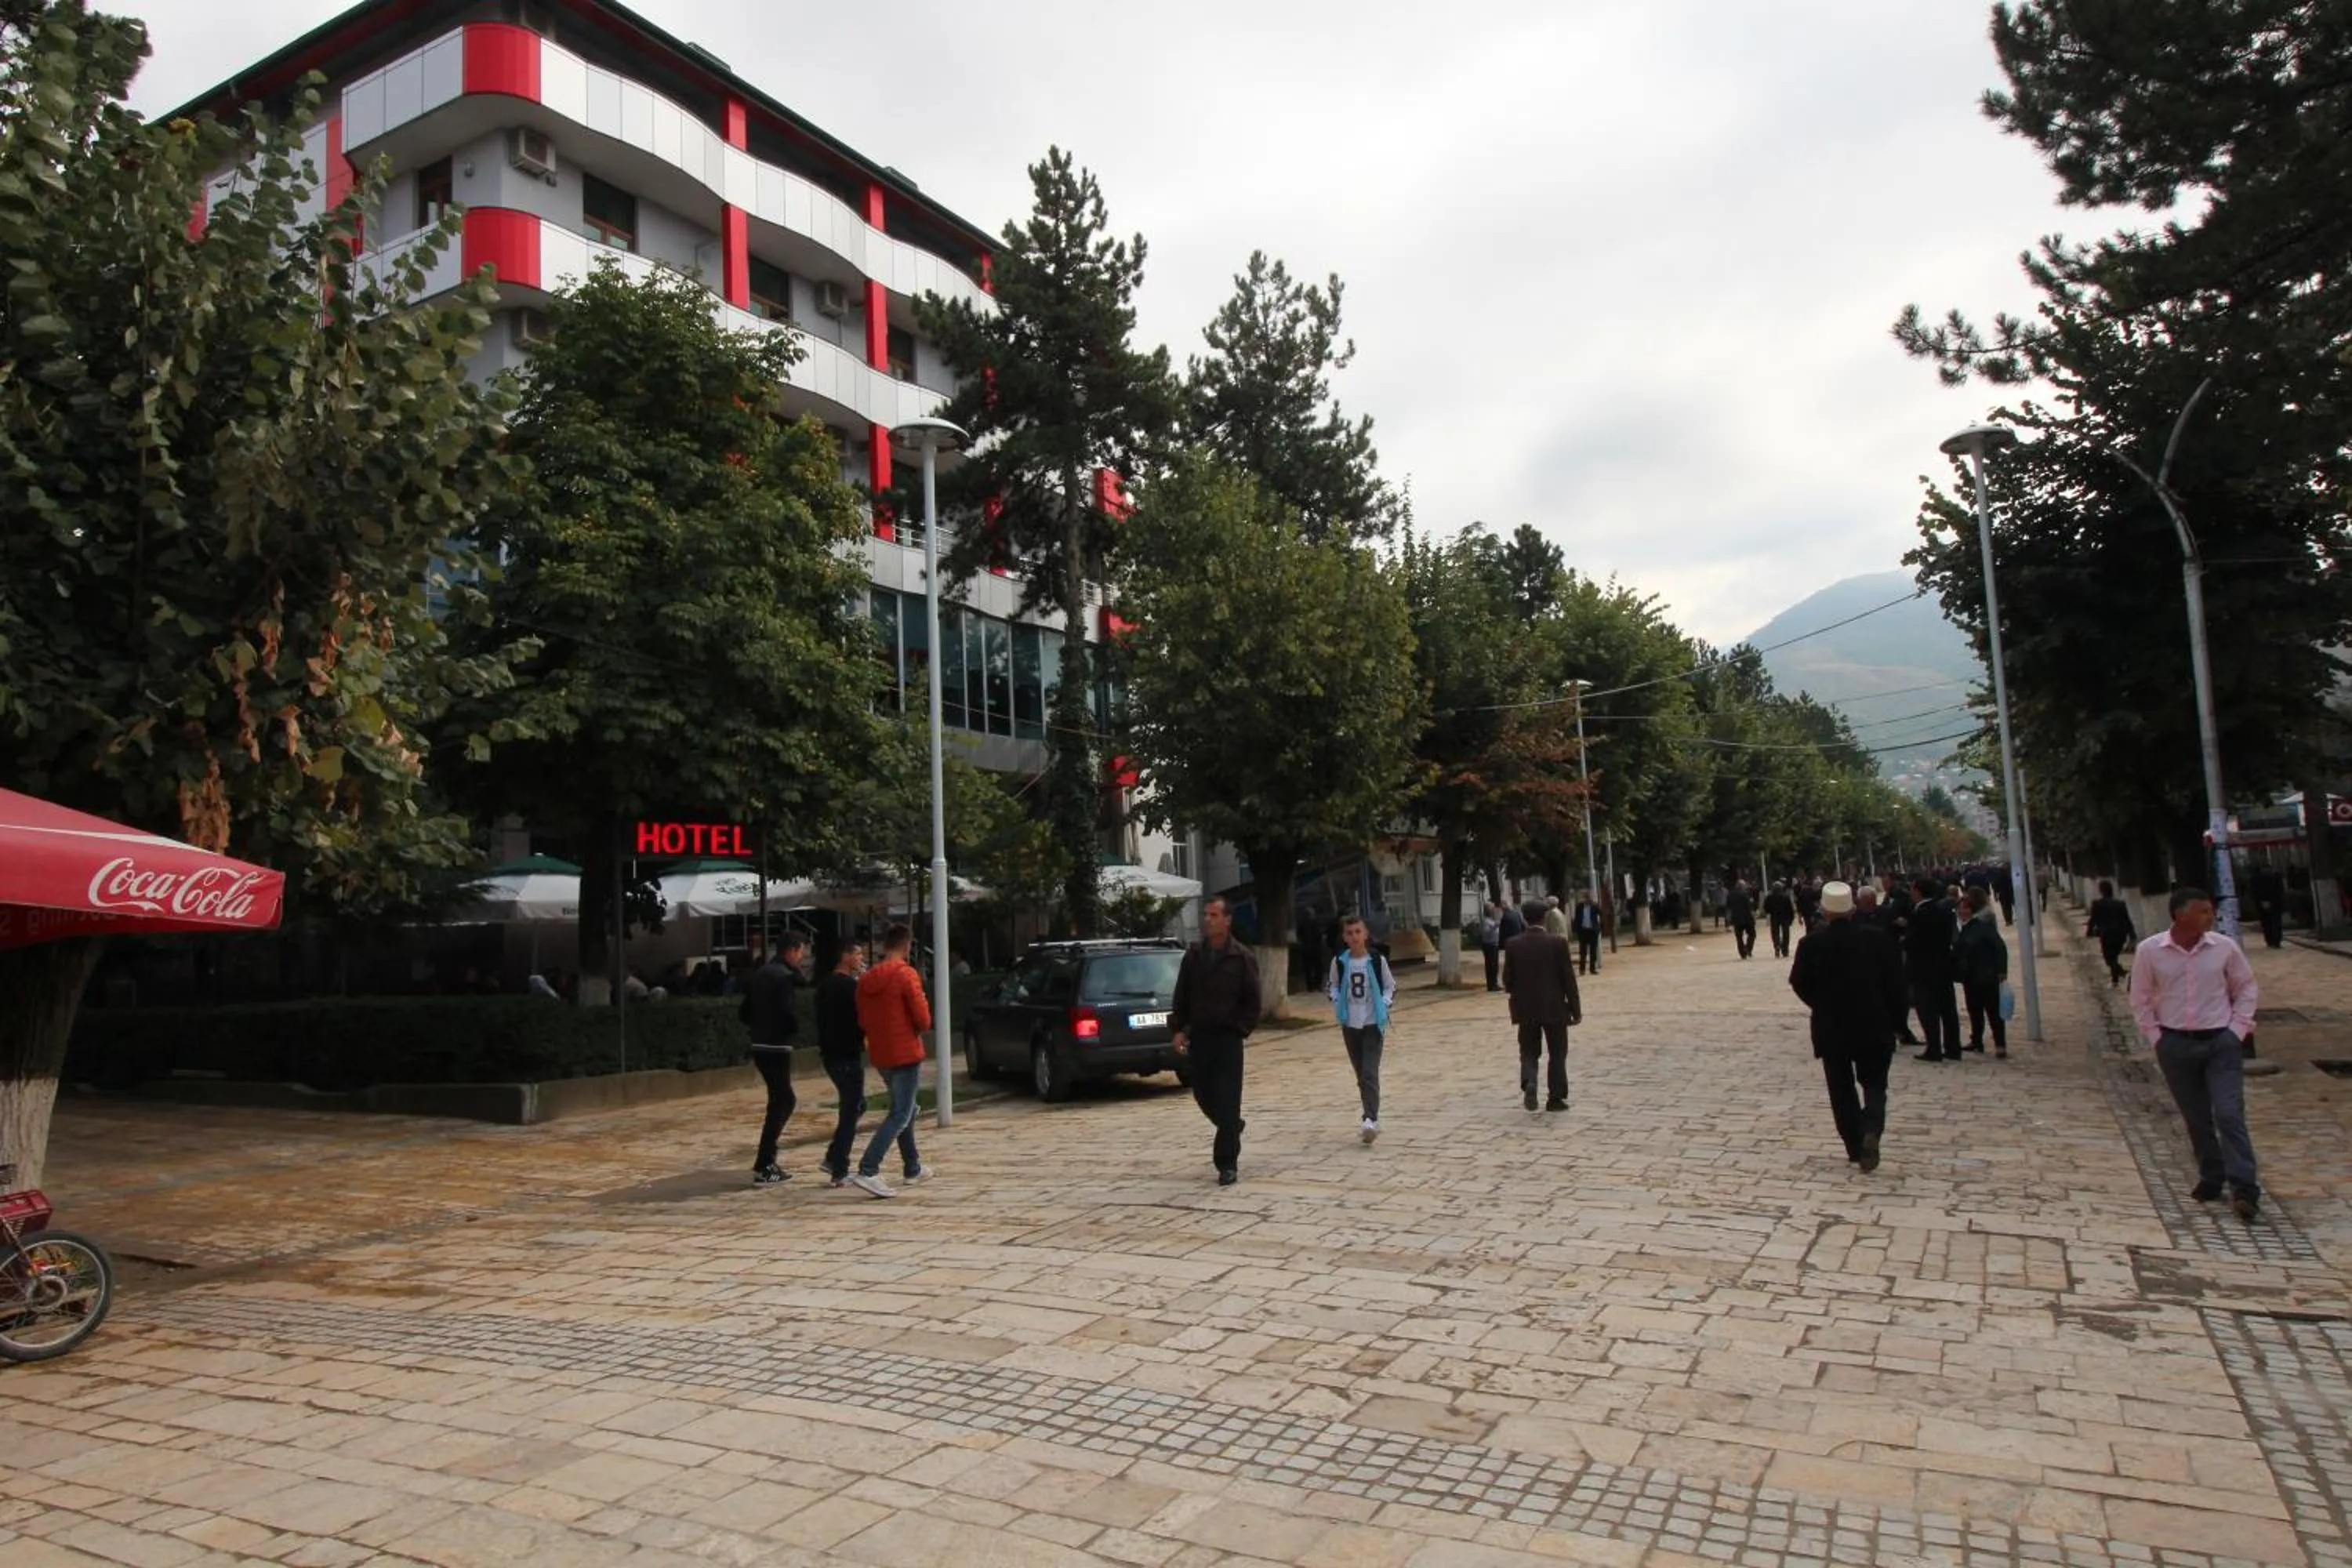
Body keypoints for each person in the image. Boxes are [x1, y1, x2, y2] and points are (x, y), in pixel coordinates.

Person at [2130, 886, 2263, 1221]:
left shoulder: (2224, 949)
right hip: (2175, 1043)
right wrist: (2156, 1036)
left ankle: (2244, 1186)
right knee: (2196, 1116)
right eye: (2203, 911)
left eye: (2210, 910)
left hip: (2220, 1042)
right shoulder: (2150, 951)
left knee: (2229, 1113)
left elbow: (2246, 988)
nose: (2210, 916)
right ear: (2181, 915)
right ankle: (2211, 1175)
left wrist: (2238, 1030)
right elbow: (2141, 996)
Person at [1788, 880, 1907, 1171]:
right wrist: (1895, 1020)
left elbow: (1799, 982)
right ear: (1853, 908)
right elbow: (1896, 984)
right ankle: (1871, 1128)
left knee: (1841, 1089)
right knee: (1875, 1084)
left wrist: (1821, 1004)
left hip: (1832, 1027)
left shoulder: (1812, 943)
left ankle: (1855, 1146)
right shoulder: (1877, 939)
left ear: (1824, 911)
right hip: (1874, 1023)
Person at [1172, 896, 1261, 1185]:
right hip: (1201, 1037)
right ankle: (1232, 1126)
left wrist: (1241, 1028)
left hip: (1227, 1040)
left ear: (1227, 920)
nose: (1208, 920)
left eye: (1213, 915)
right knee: (1202, 1093)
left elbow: (1253, 999)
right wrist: (1179, 1029)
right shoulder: (1194, 956)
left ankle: (1227, 1164)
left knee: (1228, 1098)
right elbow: (1182, 996)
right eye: (1206, 915)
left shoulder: (1242, 957)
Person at [847, 924, 933, 1197]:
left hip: (881, 1052)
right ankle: (869, 1168)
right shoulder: (906, 975)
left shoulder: (867, 980)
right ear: (907, 945)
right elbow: (923, 1019)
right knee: (901, 1113)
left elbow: (862, 1019)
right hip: (905, 1050)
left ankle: (913, 1165)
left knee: (903, 1108)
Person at [1503, 898, 1580, 1112]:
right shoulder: (1557, 943)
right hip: (1554, 1008)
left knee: (1528, 1050)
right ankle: (1555, 1099)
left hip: (1525, 1009)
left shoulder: (1513, 945)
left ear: (1525, 919)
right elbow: (1568, 979)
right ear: (1544, 918)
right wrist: (1575, 1009)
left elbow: (1507, 980)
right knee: (1557, 1053)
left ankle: (1529, 1081)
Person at [1326, 913, 1396, 1144]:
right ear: (1344, 937)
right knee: (1360, 1073)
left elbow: (1389, 986)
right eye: (1350, 933)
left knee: (1369, 1071)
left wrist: (1384, 1005)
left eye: (1358, 932)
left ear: (1365, 934)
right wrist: (1338, 1004)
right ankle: (1369, 1111)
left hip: (1372, 1023)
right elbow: (1333, 986)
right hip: (1350, 1024)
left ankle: (1371, 1119)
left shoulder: (1376, 961)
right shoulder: (1339, 962)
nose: (1355, 937)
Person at [744, 932, 807, 1186]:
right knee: (783, 1101)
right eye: (801, 952)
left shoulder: (762, 973)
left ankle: (766, 1161)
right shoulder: (783, 977)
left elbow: (744, 1010)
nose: (802, 957)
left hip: (760, 1043)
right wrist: (792, 1029)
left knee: (780, 1100)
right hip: (776, 1045)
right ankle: (765, 1163)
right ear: (792, 951)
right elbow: (786, 1010)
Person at [818, 940, 881, 1189]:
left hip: (833, 1054)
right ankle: (839, 1167)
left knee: (857, 1104)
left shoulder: (826, 985)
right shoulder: (847, 987)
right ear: (844, 956)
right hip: (845, 1053)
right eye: (857, 954)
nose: (860, 959)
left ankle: (834, 1157)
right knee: (851, 1108)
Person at [1905, 878, 1962, 1061]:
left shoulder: (1919, 913)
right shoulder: (1944, 912)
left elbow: (1913, 941)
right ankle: (1953, 1047)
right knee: (1948, 1009)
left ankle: (1934, 1048)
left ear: (1918, 891)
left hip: (1923, 968)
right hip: (1944, 965)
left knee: (1928, 1010)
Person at [1954, 886, 2009, 1058]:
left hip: (1987, 977)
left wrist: (2001, 971)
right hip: (1970, 978)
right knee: (1974, 1011)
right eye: (1960, 909)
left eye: (1966, 908)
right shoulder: (1961, 929)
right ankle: (1976, 1041)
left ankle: (2000, 1044)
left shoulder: (1982, 927)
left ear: (1973, 910)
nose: (1963, 912)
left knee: (1993, 1012)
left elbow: (2000, 948)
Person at [2085, 879, 2137, 987]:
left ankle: (2122, 975)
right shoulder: (2120, 904)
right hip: (2120, 935)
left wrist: (2089, 932)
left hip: (2106, 935)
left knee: (2109, 959)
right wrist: (2132, 934)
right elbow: (2126, 919)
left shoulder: (2097, 904)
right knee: (2114, 957)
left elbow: (2093, 919)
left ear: (2101, 891)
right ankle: (2116, 979)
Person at [2251, 865, 2287, 949]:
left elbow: (2280, 891)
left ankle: (2275, 941)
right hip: (2266, 903)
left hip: (2275, 903)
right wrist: (2262, 901)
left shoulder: (2276, 877)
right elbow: (2255, 891)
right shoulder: (2257, 878)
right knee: (2268, 923)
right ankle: (2272, 941)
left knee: (2274, 923)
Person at [1570, 892, 1603, 976]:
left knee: (1593, 951)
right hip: (1583, 931)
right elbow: (1577, 918)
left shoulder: (1594, 906)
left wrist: (1599, 928)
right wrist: (1576, 930)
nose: (1588, 900)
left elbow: (1602, 914)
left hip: (1593, 931)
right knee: (1583, 952)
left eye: (1590, 898)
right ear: (1584, 898)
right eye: (1587, 898)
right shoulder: (1580, 907)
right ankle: (1582, 969)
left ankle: (1592, 969)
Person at [1762, 880, 1797, 959]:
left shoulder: (1769, 897)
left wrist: (1770, 912)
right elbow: (1790, 909)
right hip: (1785, 918)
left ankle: (1777, 945)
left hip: (1774, 917)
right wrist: (1792, 918)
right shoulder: (1786, 897)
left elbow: (1766, 908)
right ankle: (1785, 950)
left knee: (1775, 933)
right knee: (1786, 934)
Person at [1726, 880, 1758, 960]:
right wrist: (1754, 917)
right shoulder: (1746, 895)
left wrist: (1728, 920)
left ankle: (1743, 953)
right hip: (1747, 919)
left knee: (1739, 937)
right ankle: (1748, 949)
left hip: (1736, 919)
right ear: (1742, 887)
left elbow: (1729, 909)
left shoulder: (1731, 895)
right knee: (1752, 934)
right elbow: (1750, 908)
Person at [1479, 901, 1504, 993]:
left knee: (1495, 965)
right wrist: (1495, 926)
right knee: (1491, 965)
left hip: (1494, 944)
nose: (1493, 910)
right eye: (1492, 909)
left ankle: (1495, 983)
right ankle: (1491, 985)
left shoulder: (1491, 920)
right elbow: (1486, 933)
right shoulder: (1485, 921)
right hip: (1489, 945)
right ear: (1487, 910)